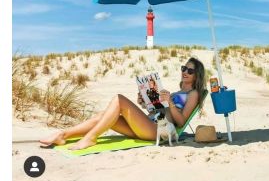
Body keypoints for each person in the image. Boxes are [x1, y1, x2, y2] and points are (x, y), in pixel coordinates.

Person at [39, 57, 206, 150]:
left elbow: (181, 121)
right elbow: (159, 110)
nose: (185, 72)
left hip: (157, 130)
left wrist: (169, 101)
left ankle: (90, 138)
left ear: (196, 75)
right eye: (184, 68)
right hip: (147, 123)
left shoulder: (193, 94)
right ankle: (63, 135)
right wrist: (145, 102)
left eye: (190, 70)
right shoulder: (177, 93)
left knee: (119, 99)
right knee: (102, 116)